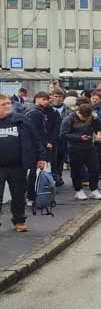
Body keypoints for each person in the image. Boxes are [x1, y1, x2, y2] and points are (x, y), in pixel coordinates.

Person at [0, 94, 45, 232]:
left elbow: (35, 139)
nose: (8, 106)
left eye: (9, 103)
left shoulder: (21, 120)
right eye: (4, 104)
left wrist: (41, 157)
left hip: (18, 165)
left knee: (19, 195)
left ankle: (19, 220)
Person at [61, 102, 101, 201]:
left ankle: (94, 189)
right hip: (74, 148)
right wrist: (79, 137)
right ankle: (78, 190)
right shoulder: (69, 119)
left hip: (89, 147)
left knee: (95, 169)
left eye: (87, 117)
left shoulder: (91, 117)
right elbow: (63, 134)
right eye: (83, 117)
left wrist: (98, 133)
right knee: (76, 171)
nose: (84, 119)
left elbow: (99, 127)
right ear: (78, 112)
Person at [25, 91, 58, 205]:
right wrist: (43, 145)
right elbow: (37, 132)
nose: (46, 102)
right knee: (36, 172)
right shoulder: (36, 113)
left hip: (36, 146)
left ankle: (35, 195)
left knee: (37, 172)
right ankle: (32, 196)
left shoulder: (32, 111)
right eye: (44, 99)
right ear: (37, 99)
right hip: (37, 147)